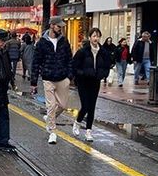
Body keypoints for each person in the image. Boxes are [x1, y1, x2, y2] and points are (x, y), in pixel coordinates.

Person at [30, 16, 73, 144]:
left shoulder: (64, 41)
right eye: (59, 26)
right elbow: (36, 62)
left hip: (62, 78)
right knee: (51, 105)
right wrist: (33, 82)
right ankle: (52, 132)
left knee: (63, 106)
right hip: (48, 78)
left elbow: (70, 59)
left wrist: (69, 77)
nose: (61, 29)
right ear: (52, 25)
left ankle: (49, 118)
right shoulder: (42, 42)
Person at [72, 28, 111, 142]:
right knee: (85, 106)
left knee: (92, 106)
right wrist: (83, 73)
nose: (96, 38)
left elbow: (107, 66)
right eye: (94, 36)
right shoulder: (82, 51)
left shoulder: (103, 52)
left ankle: (89, 131)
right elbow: (74, 66)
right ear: (90, 38)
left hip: (95, 81)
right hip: (83, 81)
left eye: (98, 36)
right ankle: (77, 122)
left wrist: (103, 75)